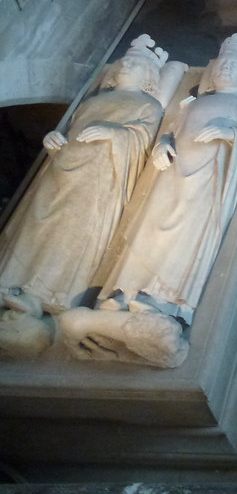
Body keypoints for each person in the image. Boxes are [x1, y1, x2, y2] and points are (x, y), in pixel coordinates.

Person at [95, 34, 237, 325]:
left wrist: (229, 132)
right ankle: (124, 290)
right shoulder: (192, 104)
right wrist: (162, 145)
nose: (225, 69)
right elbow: (171, 130)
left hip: (207, 181)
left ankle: (160, 297)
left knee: (185, 237)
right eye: (222, 64)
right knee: (148, 230)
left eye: (233, 66)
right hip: (172, 174)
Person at [0, 35, 170, 313]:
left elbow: (141, 141)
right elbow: (72, 133)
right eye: (124, 61)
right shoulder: (90, 103)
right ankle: (11, 282)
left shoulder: (147, 106)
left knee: (72, 230)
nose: (127, 65)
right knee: (35, 224)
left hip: (99, 177)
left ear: (149, 74)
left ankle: (48, 292)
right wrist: (54, 140)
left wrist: (114, 133)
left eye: (135, 64)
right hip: (62, 171)